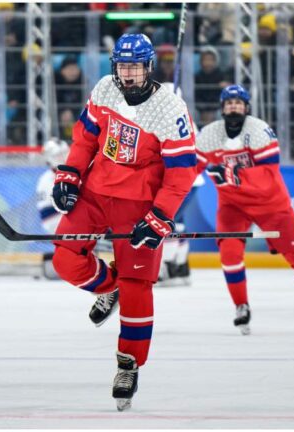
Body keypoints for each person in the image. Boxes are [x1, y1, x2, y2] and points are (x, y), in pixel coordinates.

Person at [49, 33, 197, 411]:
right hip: (96, 192)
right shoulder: (104, 89)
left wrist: (160, 216)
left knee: (138, 288)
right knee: (65, 259)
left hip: (139, 202)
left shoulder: (170, 110)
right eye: (122, 66)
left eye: (134, 66)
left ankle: (128, 363)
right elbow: (85, 140)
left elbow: (181, 173)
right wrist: (69, 175)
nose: (127, 74)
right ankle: (108, 285)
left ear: (148, 67)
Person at [196, 84, 294, 334]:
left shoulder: (259, 131)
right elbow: (188, 166)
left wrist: (231, 173)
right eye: (229, 102)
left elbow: (267, 176)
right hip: (232, 205)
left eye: (238, 102)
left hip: (271, 204)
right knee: (229, 254)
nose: (233, 106)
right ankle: (241, 306)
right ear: (222, 108)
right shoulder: (209, 135)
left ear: (247, 107)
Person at [36, 138, 71, 280]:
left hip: (60, 216)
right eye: (58, 155)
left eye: (64, 153)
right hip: (54, 219)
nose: (63, 158)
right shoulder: (48, 179)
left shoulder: (62, 173)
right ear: (50, 158)